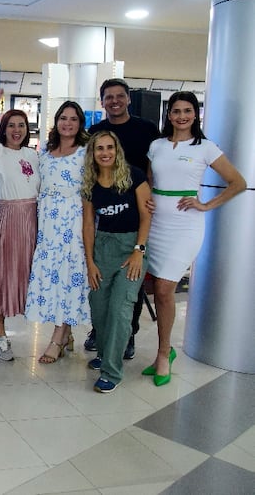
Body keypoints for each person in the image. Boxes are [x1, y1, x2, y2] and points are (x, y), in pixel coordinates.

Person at [144, 91, 245, 386]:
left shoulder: (205, 147)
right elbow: (150, 181)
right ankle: (164, 351)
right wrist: (147, 200)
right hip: (156, 222)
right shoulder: (157, 145)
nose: (181, 116)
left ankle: (164, 354)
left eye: (187, 110)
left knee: (164, 288)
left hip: (185, 226)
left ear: (195, 114)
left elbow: (238, 182)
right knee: (157, 287)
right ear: (169, 115)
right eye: (176, 111)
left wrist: (205, 204)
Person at [86, 78, 160, 358]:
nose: (114, 101)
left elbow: (152, 168)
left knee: (131, 283)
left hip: (136, 209)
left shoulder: (147, 129)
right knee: (102, 289)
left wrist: (148, 197)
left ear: (128, 98)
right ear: (102, 101)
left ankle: (128, 334)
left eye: (119, 96)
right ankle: (101, 333)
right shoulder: (96, 131)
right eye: (108, 97)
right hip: (107, 219)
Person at [82, 131, 151, 393]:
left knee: (121, 308)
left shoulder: (134, 175)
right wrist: (90, 261)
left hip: (132, 246)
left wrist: (139, 250)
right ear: (93, 153)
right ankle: (104, 352)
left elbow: (146, 215)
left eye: (110, 147)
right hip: (103, 247)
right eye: (99, 148)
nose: (105, 152)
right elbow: (88, 225)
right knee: (99, 306)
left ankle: (112, 370)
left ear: (117, 149)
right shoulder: (90, 183)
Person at [0, 89, 40, 361]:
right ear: (4, 128)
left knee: (23, 276)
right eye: (11, 125)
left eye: (21, 125)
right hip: (6, 218)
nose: (16, 130)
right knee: (0, 275)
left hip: (30, 219)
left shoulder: (35, 155)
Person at [25, 101, 91, 363]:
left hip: (73, 221)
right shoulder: (46, 153)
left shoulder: (85, 153)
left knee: (68, 275)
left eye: (73, 119)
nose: (67, 123)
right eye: (63, 118)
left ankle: (57, 337)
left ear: (80, 123)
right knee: (52, 276)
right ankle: (67, 332)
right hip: (48, 224)